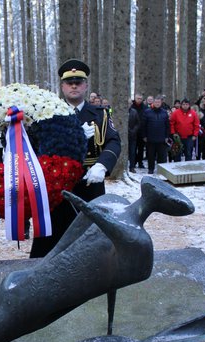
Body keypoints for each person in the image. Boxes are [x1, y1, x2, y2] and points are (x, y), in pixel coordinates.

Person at [30, 59, 121, 257]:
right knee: (53, 243)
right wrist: (71, 137)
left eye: (78, 82)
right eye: (69, 82)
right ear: (62, 86)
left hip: (89, 185)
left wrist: (102, 166)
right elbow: (35, 146)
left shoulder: (100, 114)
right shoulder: (47, 114)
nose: (74, 86)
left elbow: (114, 142)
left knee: (92, 241)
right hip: (57, 189)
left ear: (86, 85)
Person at [142, 96, 170, 174]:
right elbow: (143, 125)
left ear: (161, 103)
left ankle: (161, 170)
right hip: (150, 138)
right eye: (156, 102)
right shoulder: (147, 112)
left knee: (162, 156)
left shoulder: (164, 112)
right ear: (153, 103)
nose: (157, 104)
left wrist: (167, 136)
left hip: (162, 138)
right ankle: (151, 169)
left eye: (159, 102)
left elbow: (167, 125)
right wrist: (144, 136)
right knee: (151, 155)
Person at [128, 98, 140, 172]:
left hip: (132, 136)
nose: (127, 105)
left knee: (132, 152)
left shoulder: (134, 112)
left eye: (129, 103)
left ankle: (132, 166)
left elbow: (138, 123)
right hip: (123, 136)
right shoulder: (121, 112)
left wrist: (133, 130)